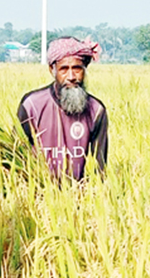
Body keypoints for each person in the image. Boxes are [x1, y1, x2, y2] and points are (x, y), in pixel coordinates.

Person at [17, 36, 108, 180]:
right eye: (64, 69)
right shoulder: (31, 106)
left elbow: (100, 166)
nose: (71, 76)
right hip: (38, 194)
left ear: (85, 69)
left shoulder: (96, 110)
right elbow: (16, 154)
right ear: (52, 70)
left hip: (78, 195)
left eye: (77, 68)